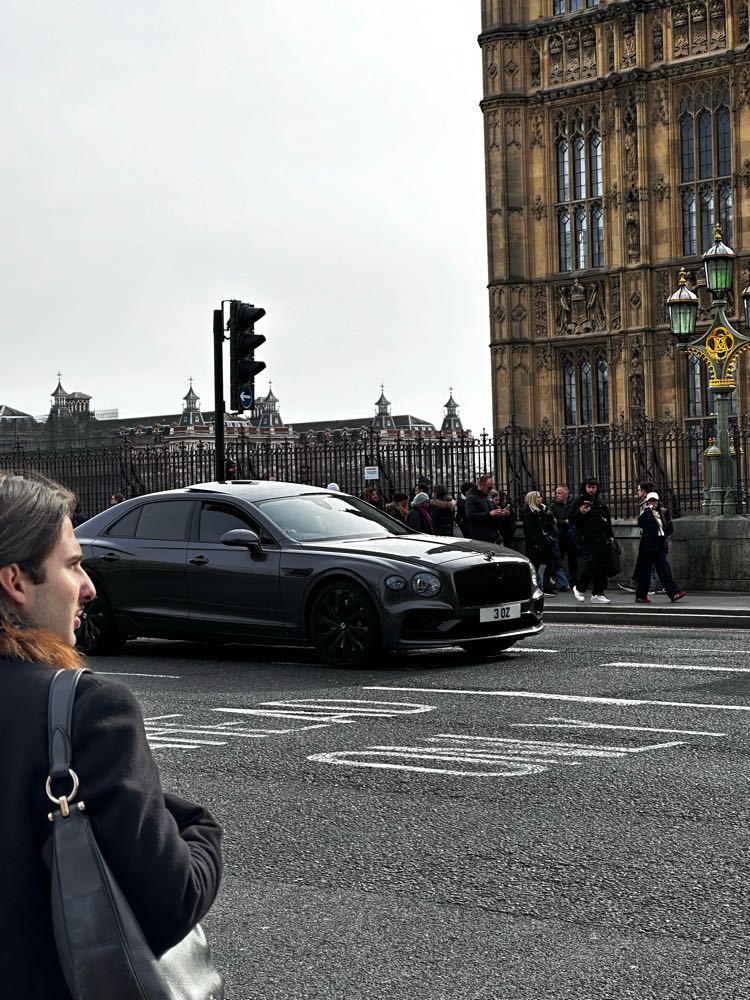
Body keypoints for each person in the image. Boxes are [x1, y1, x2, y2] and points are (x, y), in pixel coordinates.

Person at [0, 473, 223, 997]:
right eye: (72, 564)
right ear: (15, 581)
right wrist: (200, 827)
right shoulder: (88, 710)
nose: (88, 586)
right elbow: (170, 903)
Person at [570, 477, 615, 604]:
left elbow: (607, 520)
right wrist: (580, 513)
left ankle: (598, 593)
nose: (591, 490)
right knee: (591, 564)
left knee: (602, 567)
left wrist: (610, 536)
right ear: (585, 488)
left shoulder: (600, 502)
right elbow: (572, 519)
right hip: (588, 539)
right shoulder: (578, 501)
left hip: (602, 539)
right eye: (589, 487)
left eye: (593, 487)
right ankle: (579, 588)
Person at [635, 491, 685, 604]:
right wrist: (647, 511)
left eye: (654, 500)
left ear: (658, 501)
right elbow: (641, 523)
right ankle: (641, 596)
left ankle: (674, 593)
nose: (653, 503)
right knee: (645, 572)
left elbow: (667, 527)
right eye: (650, 501)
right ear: (647, 502)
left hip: (659, 544)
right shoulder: (645, 512)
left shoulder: (663, 512)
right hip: (648, 546)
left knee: (664, 570)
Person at [619, 480, 667, 594]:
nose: (637, 492)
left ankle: (652, 585)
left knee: (650, 562)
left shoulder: (647, 504)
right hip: (654, 537)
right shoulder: (648, 502)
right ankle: (642, 583)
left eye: (639, 490)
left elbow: (645, 521)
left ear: (644, 491)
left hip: (651, 538)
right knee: (651, 562)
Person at [521, 491, 567, 595]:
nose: (541, 499)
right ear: (533, 499)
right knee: (536, 565)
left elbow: (549, 523)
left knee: (548, 564)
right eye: (538, 497)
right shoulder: (528, 512)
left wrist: (547, 514)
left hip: (545, 542)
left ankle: (546, 586)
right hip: (536, 544)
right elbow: (529, 530)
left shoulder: (542, 509)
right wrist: (537, 541)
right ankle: (537, 587)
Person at [463, 473, 507, 543]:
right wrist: (489, 514)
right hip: (479, 537)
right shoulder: (471, 498)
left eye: (491, 487)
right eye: (489, 487)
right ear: (481, 485)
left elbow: (493, 513)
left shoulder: (488, 497)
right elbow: (470, 516)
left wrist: (500, 513)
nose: (490, 490)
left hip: (492, 536)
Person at [549, 484, 577, 586]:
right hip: (559, 536)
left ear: (566, 494)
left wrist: (567, 521)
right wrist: (564, 521)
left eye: (559, 493)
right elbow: (553, 521)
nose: (557, 495)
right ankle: (554, 581)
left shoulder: (573, 504)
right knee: (557, 559)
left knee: (573, 559)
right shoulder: (553, 505)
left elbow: (575, 518)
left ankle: (574, 581)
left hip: (571, 536)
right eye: (556, 493)